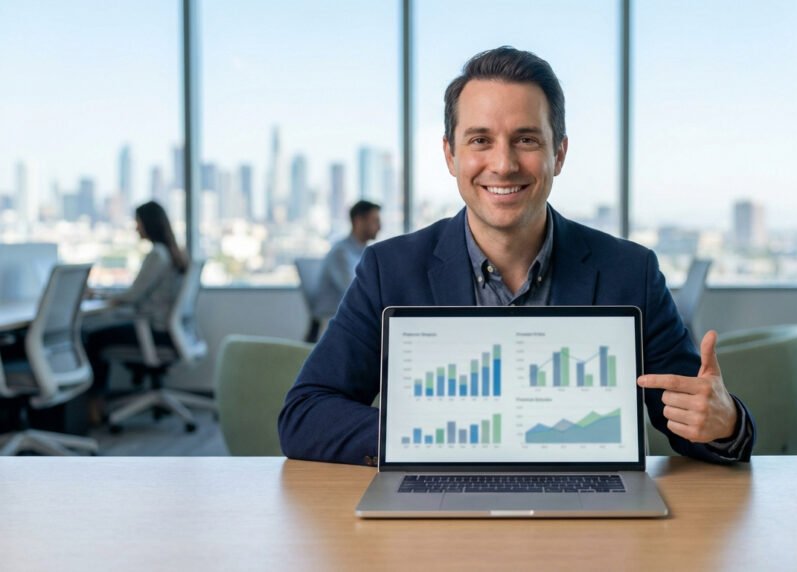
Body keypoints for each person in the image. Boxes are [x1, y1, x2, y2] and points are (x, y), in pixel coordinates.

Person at [279, 46, 755, 466]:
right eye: (480, 140)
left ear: (558, 154)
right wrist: (429, 437)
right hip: (438, 517)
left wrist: (725, 421)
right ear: (450, 155)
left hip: (590, 520)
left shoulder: (630, 272)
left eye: (526, 140)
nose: (503, 164)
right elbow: (305, 413)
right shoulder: (390, 270)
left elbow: (690, 415)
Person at [84, 201, 188, 417]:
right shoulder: (173, 254)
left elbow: (132, 296)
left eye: (138, 222)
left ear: (148, 223)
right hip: (171, 332)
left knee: (93, 339)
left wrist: (98, 295)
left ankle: (95, 406)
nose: (136, 228)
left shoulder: (157, 255)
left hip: (154, 332)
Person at [308, 200, 381, 341]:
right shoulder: (341, 253)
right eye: (375, 221)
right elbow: (355, 292)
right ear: (359, 221)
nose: (379, 227)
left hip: (350, 321)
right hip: (330, 324)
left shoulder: (364, 253)